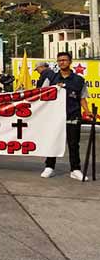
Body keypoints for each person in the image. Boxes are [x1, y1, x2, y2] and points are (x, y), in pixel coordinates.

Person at [41, 52, 91, 181]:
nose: (62, 62)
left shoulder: (79, 80)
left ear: (70, 62)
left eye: (64, 60)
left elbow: (83, 98)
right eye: (59, 60)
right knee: (53, 142)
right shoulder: (51, 78)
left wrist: (87, 111)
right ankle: (49, 167)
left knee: (74, 144)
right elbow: (42, 95)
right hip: (54, 117)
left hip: (72, 115)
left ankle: (75, 169)